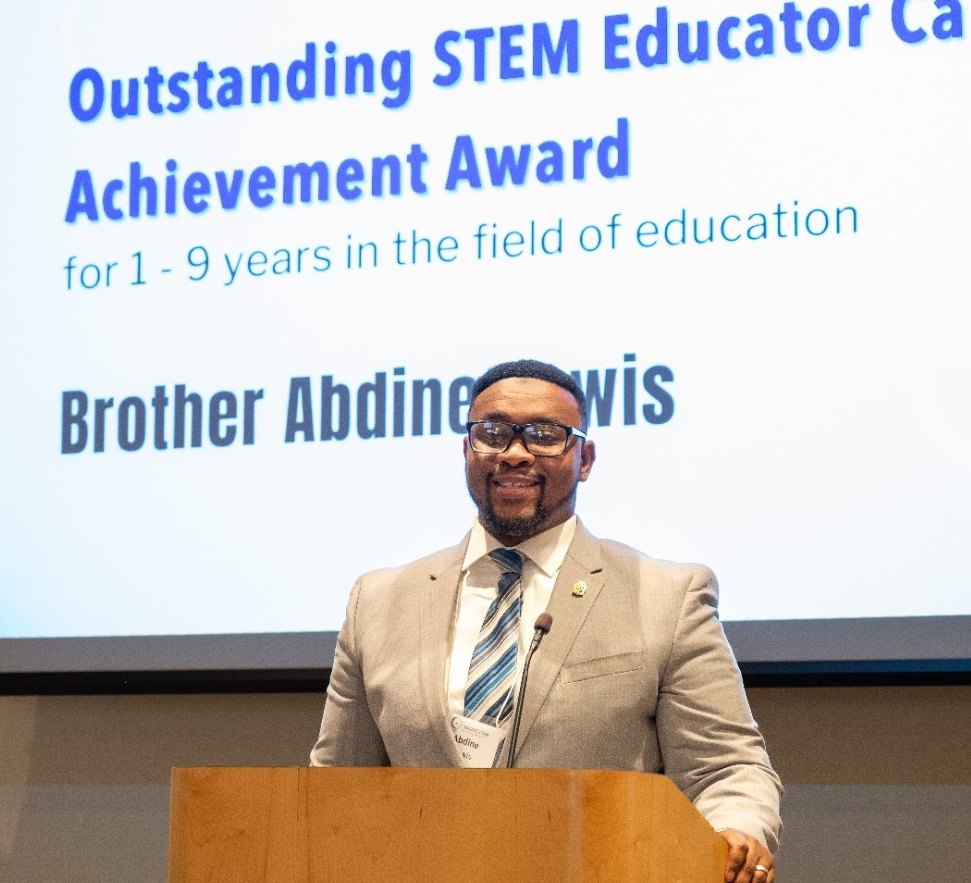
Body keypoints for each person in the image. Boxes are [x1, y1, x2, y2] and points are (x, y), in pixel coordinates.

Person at [311, 359, 782, 883]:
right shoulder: (378, 602)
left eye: (545, 436)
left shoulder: (666, 597)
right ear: (467, 451)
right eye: (492, 433)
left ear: (585, 458)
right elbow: (336, 787)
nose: (514, 453)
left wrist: (736, 831)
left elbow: (726, 769)